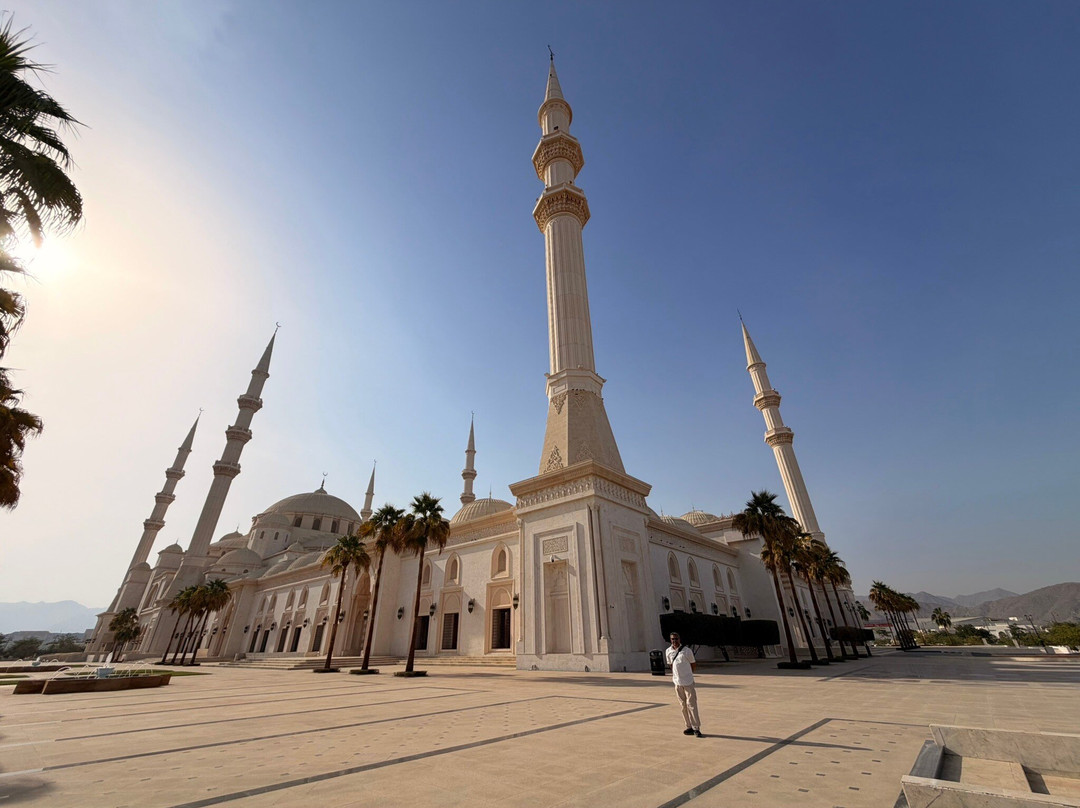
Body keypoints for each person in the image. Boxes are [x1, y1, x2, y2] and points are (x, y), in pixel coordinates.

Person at [664, 631, 702, 737]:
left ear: (679, 639)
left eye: (676, 639)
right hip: (677, 683)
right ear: (670, 640)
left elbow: (693, 665)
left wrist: (687, 675)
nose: (674, 641)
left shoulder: (687, 651)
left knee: (692, 705)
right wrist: (677, 677)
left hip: (688, 682)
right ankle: (688, 726)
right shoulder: (668, 651)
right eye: (672, 639)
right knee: (683, 706)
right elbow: (671, 665)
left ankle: (696, 728)